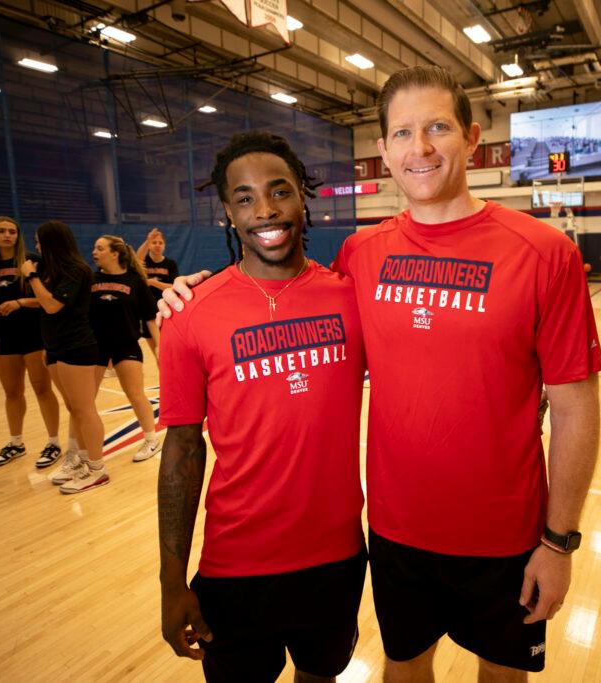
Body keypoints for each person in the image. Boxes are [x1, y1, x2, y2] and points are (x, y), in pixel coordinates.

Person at [161, 65, 601, 681]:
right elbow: (282, 297)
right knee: (403, 669)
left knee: (503, 677)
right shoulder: (360, 258)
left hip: (506, 535)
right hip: (395, 535)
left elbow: (578, 406)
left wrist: (559, 543)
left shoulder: (543, 253)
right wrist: (185, 294)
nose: (419, 148)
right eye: (402, 133)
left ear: (472, 138)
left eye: (437, 128)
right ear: (384, 151)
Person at [157, 132, 367, 682]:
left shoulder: (351, 297)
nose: (266, 210)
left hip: (337, 559)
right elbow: (181, 448)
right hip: (236, 566)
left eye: (280, 192)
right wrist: (171, 581)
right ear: (228, 211)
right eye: (245, 198)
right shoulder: (190, 312)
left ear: (303, 198)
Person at [21, 221, 108, 494]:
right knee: (74, 408)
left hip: (77, 346)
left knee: (85, 409)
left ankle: (97, 470)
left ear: (51, 242)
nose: (36, 246)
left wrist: (32, 277)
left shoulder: (76, 270)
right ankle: (82, 460)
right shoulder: (51, 269)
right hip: (55, 347)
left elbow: (51, 304)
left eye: (39, 241)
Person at [0, 216, 62, 469]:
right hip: (4, 337)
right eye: (1, 231)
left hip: (35, 335)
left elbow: (49, 300)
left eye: (12, 231)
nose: (7, 235)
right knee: (12, 392)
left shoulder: (33, 261)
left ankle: (54, 443)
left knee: (42, 388)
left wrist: (19, 303)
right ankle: (16, 443)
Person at [90, 235, 162, 462]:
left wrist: (160, 346)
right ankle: (79, 451)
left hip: (126, 344)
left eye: (99, 248)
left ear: (114, 253)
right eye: (94, 247)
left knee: (135, 394)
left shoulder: (135, 281)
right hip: (96, 347)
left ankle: (151, 439)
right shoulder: (91, 279)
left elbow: (150, 318)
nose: (94, 252)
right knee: (85, 401)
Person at [135, 228, 179, 359]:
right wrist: (147, 240)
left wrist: (152, 282)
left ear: (164, 245)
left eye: (160, 242)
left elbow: (172, 286)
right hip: (148, 313)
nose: (158, 245)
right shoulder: (145, 262)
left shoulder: (170, 264)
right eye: (154, 242)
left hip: (166, 311)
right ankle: (163, 378)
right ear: (149, 245)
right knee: (158, 353)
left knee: (169, 352)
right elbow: (138, 258)